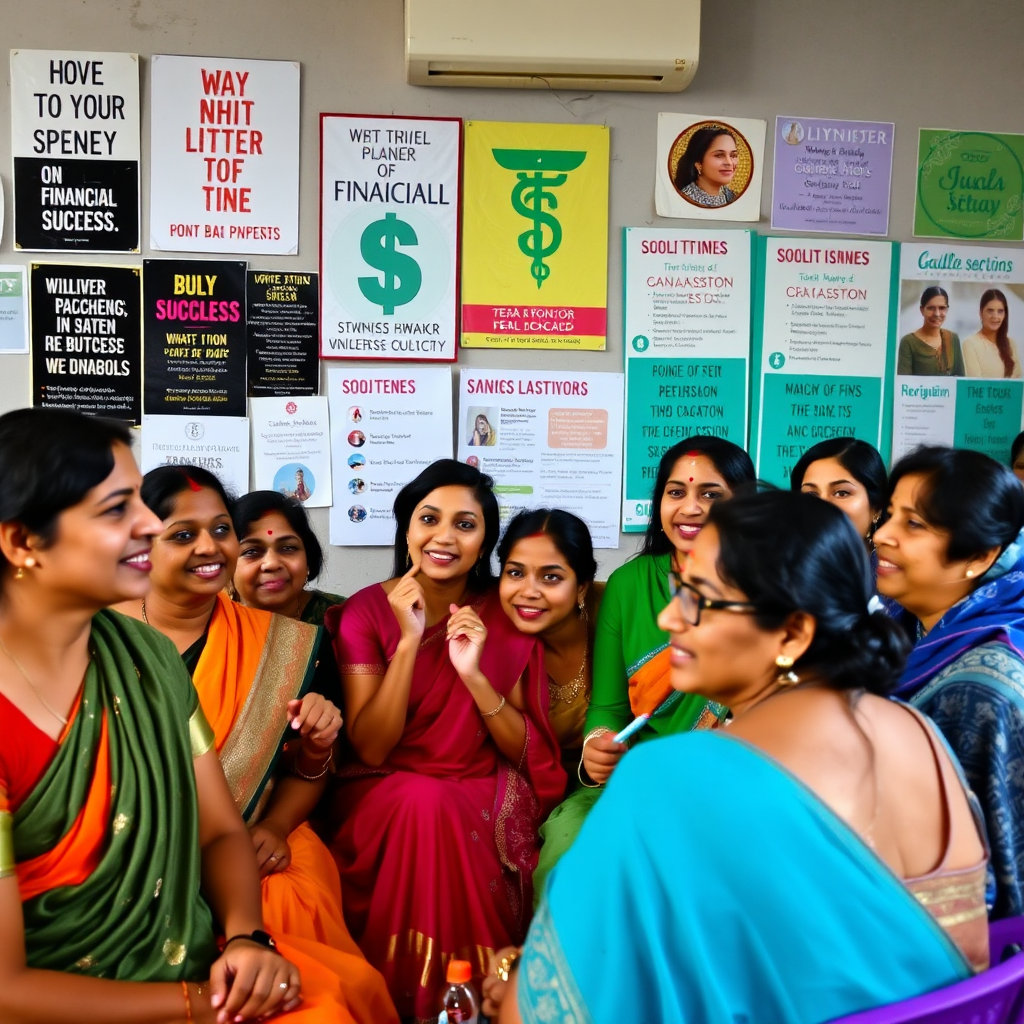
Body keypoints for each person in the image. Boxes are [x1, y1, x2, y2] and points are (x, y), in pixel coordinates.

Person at [495, 491, 988, 1024]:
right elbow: (960, 964)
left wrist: (514, 981)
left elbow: (544, 1009)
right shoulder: (920, 735)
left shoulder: (666, 779)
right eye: (679, 590)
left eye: (700, 600)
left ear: (793, 632)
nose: (669, 618)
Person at [0, 408, 353, 1023]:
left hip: (188, 951)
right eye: (118, 509)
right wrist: (198, 1002)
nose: (146, 525)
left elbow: (219, 831)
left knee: (332, 998)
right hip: (76, 996)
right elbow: (7, 988)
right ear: (23, 543)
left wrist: (247, 939)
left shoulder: (144, 657)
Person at [117, 465, 397, 1024]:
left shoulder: (287, 647)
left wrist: (280, 812)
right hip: (122, 865)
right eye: (182, 535)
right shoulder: (95, 637)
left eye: (221, 530)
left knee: (321, 955)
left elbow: (305, 773)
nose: (210, 548)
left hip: (250, 834)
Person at [326, 460, 565, 1020]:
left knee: (435, 805)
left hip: (480, 783)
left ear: (485, 540)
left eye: (466, 524)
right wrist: (407, 643)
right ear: (406, 528)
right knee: (421, 802)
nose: (444, 537)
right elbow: (373, 748)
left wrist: (474, 675)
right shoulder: (367, 610)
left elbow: (526, 750)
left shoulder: (504, 612)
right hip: (382, 786)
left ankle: (474, 1000)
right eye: (429, 519)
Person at [531, 437, 755, 901]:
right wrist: (596, 747)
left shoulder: (770, 584)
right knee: (569, 852)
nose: (689, 507)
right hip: (637, 776)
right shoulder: (630, 584)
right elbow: (608, 707)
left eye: (710, 494)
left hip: (727, 783)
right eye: (676, 492)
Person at [875, 445, 1024, 919]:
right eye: (889, 515)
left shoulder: (983, 685)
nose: (881, 536)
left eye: (913, 524)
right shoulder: (899, 628)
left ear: (979, 555)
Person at [497, 509, 601, 777]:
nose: (529, 592)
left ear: (581, 587)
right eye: (515, 573)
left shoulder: (613, 611)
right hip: (534, 781)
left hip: (618, 776)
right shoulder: (491, 636)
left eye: (551, 577)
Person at [232, 490, 345, 627]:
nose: (272, 564)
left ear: (308, 556)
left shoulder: (346, 618)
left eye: (288, 548)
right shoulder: (207, 622)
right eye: (251, 551)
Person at [790, 437, 887, 549]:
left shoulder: (896, 565)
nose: (823, 507)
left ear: (877, 508)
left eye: (841, 493)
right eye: (811, 495)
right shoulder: (783, 563)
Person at [897, 286, 965, 376]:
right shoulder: (908, 342)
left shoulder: (953, 338)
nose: (937, 314)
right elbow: (904, 382)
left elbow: (960, 379)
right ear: (922, 310)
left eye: (942, 308)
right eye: (931, 308)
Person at [672, 126, 740, 207]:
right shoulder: (682, 201)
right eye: (719, 155)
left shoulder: (733, 198)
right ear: (698, 164)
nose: (729, 163)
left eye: (733, 155)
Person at [963, 288, 1022, 378]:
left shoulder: (1010, 344)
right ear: (981, 313)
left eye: (1000, 311)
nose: (995, 316)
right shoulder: (970, 344)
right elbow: (975, 385)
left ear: (1005, 315)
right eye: (990, 311)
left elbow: (1016, 383)